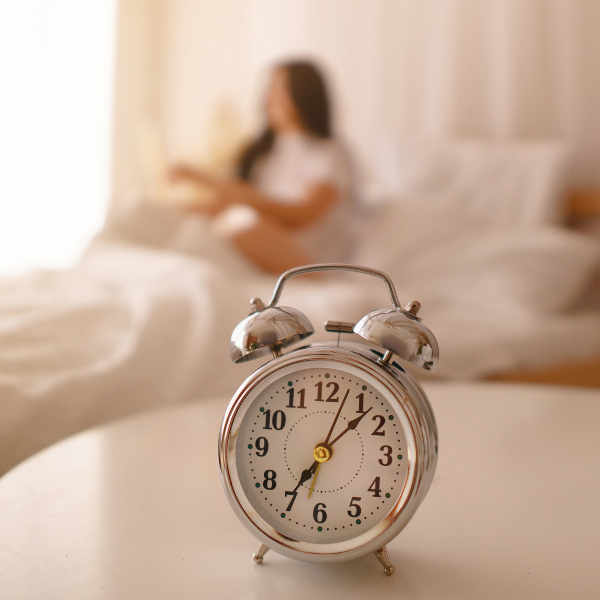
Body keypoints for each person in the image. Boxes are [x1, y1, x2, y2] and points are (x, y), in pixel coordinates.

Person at [168, 60, 355, 274]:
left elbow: (301, 216)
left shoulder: (329, 153)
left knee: (240, 225)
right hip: (259, 238)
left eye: (280, 88)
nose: (270, 97)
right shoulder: (265, 153)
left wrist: (210, 182)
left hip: (307, 258)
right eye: (269, 88)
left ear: (305, 94)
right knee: (184, 213)